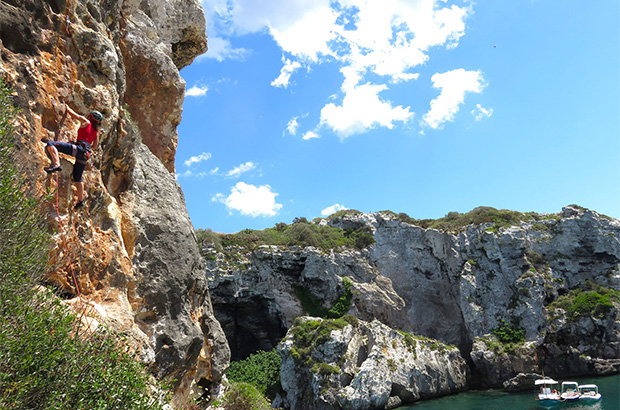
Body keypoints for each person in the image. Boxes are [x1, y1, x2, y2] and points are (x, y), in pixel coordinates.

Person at [44, 105, 102, 209]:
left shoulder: (86, 122)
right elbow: (94, 146)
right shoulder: (96, 132)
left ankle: (56, 164)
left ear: (90, 117)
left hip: (78, 149)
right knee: (78, 178)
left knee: (51, 144)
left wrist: (65, 105)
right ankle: (80, 200)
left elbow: (73, 114)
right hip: (86, 155)